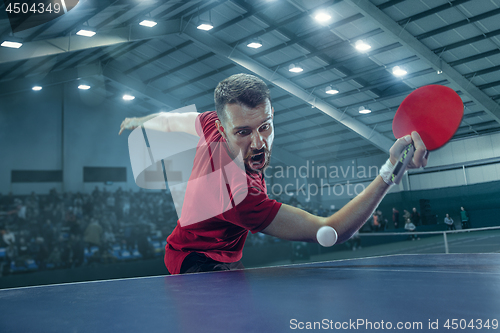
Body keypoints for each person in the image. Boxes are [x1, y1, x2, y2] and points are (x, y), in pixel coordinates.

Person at [119, 73, 429, 275]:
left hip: (226, 253)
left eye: (265, 127)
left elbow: (175, 122)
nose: (258, 143)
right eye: (243, 132)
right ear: (224, 130)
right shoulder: (240, 198)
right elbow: (330, 232)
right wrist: (390, 171)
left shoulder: (212, 122)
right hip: (194, 260)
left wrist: (140, 121)